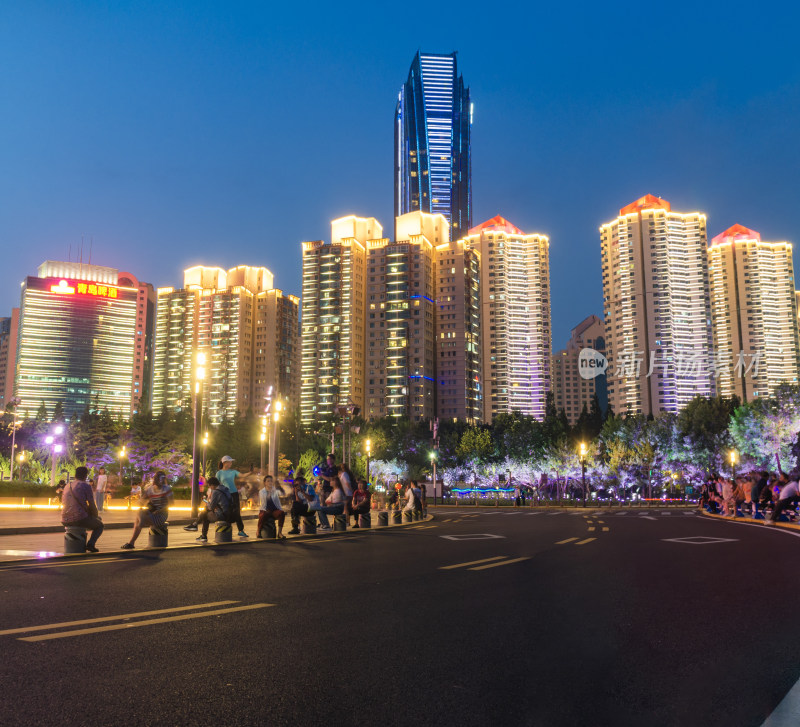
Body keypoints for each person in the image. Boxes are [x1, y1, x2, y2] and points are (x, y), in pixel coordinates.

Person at [120, 471, 174, 549]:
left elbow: (171, 504)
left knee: (139, 519)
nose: (160, 480)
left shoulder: (167, 489)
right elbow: (142, 500)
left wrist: (159, 510)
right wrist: (141, 503)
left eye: (162, 478)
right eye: (158, 478)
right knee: (139, 513)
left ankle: (131, 542)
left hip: (161, 515)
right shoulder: (150, 489)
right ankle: (132, 542)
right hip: (152, 513)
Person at [61, 466, 104, 553]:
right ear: (85, 476)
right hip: (79, 519)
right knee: (100, 525)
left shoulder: (67, 486)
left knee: (92, 520)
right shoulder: (86, 486)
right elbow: (92, 504)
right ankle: (91, 544)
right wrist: (95, 516)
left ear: (75, 475)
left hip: (64, 519)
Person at [192, 477, 232, 542]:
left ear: (212, 485)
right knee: (205, 512)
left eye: (210, 486)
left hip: (222, 515)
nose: (210, 488)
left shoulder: (216, 492)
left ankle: (201, 532)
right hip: (229, 513)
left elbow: (211, 506)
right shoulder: (225, 489)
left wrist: (208, 502)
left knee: (205, 515)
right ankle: (195, 525)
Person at [257, 475, 286, 539]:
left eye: (271, 481)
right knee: (263, 515)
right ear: (265, 483)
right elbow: (263, 501)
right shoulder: (261, 492)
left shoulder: (275, 491)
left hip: (274, 511)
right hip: (265, 509)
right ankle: (258, 531)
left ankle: (280, 533)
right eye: (268, 481)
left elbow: (281, 495)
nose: (270, 482)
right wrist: (269, 493)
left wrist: (279, 488)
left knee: (282, 513)